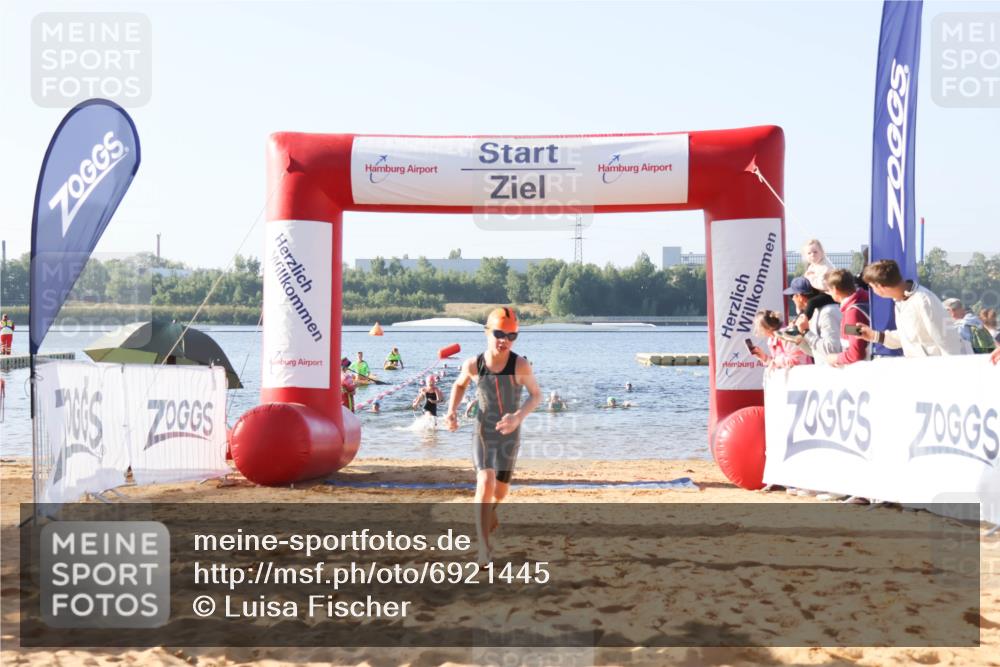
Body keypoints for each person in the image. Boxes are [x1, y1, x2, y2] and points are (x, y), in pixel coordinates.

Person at [444, 307, 542, 565]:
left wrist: (517, 418)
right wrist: (451, 411)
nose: (505, 341)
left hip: (510, 433)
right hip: (484, 430)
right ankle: (483, 549)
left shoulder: (520, 365)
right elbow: (459, 384)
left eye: (512, 336)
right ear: (487, 332)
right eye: (499, 334)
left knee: (499, 493)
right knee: (485, 481)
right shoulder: (474, 364)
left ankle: (489, 512)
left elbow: (536, 395)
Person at [856, 260, 967, 357]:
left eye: (872, 287)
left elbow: (948, 341)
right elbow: (908, 338)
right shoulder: (900, 302)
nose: (873, 291)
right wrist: (874, 336)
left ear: (879, 286)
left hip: (939, 373)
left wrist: (951, 374)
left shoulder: (924, 300)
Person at [786, 277, 841, 364]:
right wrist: (798, 340)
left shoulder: (827, 313)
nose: (792, 299)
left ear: (799, 296)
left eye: (792, 295)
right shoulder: (816, 313)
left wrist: (806, 332)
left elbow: (833, 350)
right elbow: (817, 353)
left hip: (835, 373)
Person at [823, 269, 870, 367]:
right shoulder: (863, 302)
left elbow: (856, 354)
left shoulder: (852, 314)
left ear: (835, 289)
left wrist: (835, 358)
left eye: (829, 290)